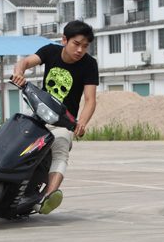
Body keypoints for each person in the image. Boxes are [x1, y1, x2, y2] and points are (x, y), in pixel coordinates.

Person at [12, 20, 99, 214]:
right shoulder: (50, 51)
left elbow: (90, 100)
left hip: (64, 122)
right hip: (39, 111)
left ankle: (48, 196)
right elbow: (24, 62)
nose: (80, 50)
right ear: (65, 40)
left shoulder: (89, 64)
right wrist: (19, 73)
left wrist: (81, 122)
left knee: (61, 151)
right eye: (76, 44)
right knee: (13, 127)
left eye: (85, 46)